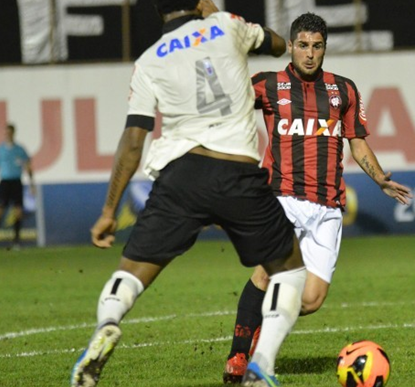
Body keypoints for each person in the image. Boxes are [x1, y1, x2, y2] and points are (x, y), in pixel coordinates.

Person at [70, 1, 307, 386]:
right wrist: (215, 18)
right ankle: (261, 365)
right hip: (236, 171)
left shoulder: (148, 62)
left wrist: (109, 209)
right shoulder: (227, 25)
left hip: (180, 175)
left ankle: (108, 323)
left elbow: (133, 141)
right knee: (290, 268)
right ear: (197, 2)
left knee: (131, 271)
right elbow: (279, 45)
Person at [223, 12, 413, 384]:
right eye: (303, 46)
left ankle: (260, 329)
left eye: (317, 46)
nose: (310, 54)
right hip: (282, 198)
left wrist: (379, 180)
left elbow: (357, 143)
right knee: (268, 274)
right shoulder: (267, 84)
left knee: (309, 299)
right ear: (290, 46)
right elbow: (230, 109)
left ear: (325, 48)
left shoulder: (343, 89)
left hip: (327, 207)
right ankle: (238, 357)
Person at [0, 123, 35, 250]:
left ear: (13, 133)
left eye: (9, 132)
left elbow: (28, 167)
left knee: (18, 211)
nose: (7, 134)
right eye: (5, 132)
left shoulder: (19, 149)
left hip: (16, 182)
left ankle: (16, 242)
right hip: (5, 182)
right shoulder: (1, 149)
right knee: (1, 210)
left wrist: (32, 184)